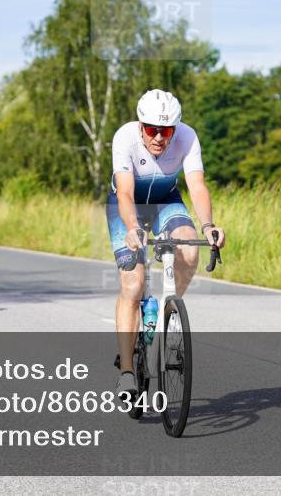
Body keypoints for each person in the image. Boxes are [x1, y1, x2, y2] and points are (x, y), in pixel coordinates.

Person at [108, 89, 226, 396]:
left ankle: (166, 311)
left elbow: (197, 185)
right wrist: (133, 227)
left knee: (188, 244)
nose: (160, 138)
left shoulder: (187, 137)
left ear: (176, 128)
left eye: (167, 131)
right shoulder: (124, 138)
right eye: (152, 130)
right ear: (140, 126)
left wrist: (208, 226)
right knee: (133, 284)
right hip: (128, 205)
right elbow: (124, 193)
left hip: (166, 201)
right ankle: (126, 372)